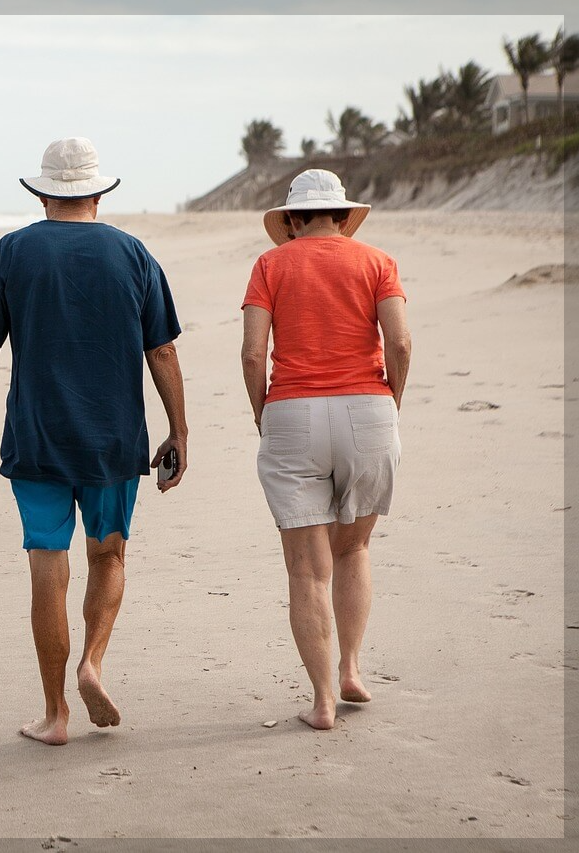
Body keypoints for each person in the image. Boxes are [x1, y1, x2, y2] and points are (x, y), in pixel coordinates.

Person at [0, 137, 188, 746]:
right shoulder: (134, 254)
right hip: (114, 438)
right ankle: (92, 662)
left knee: (47, 563)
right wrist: (179, 429)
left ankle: (56, 712)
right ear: (98, 191)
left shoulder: (10, 253)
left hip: (36, 435)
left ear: (41, 193)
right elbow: (161, 350)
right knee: (108, 555)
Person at [241, 169, 412, 731]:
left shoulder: (270, 265)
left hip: (293, 411)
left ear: (291, 220)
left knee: (306, 569)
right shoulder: (377, 262)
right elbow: (401, 342)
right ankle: (352, 669)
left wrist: (265, 414)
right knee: (354, 549)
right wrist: (392, 401)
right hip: (368, 408)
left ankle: (320, 702)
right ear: (342, 216)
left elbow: (252, 354)